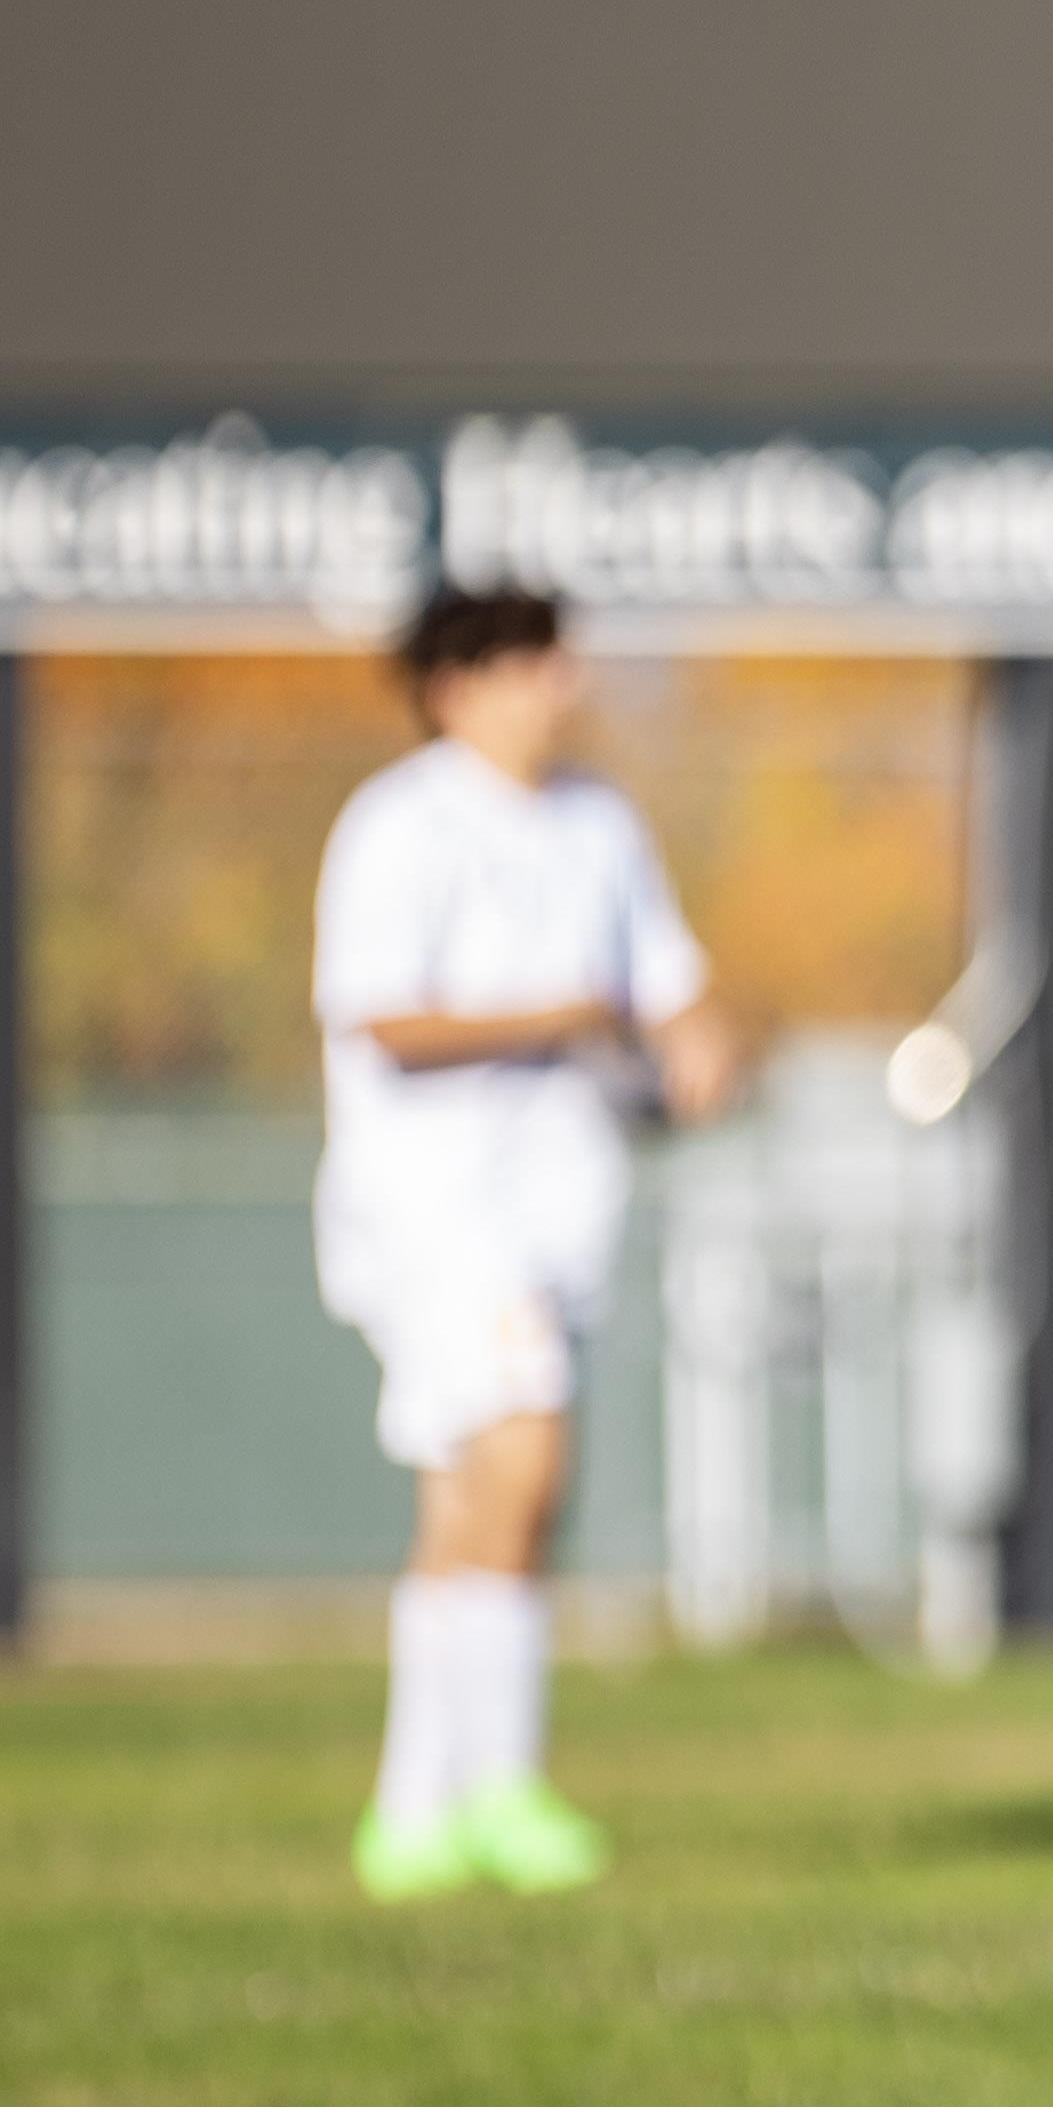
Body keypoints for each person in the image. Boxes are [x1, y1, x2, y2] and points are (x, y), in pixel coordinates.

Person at [314, 586, 746, 1901]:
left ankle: (411, 1812)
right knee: (527, 1459)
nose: (557, 686)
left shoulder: (600, 823)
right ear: (454, 686)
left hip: (565, 1209)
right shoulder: (401, 826)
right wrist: (554, 1016)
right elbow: (381, 1019)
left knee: (468, 1501)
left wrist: (702, 1049)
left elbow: (672, 991)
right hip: (438, 1210)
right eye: (526, 664)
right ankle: (501, 1785)